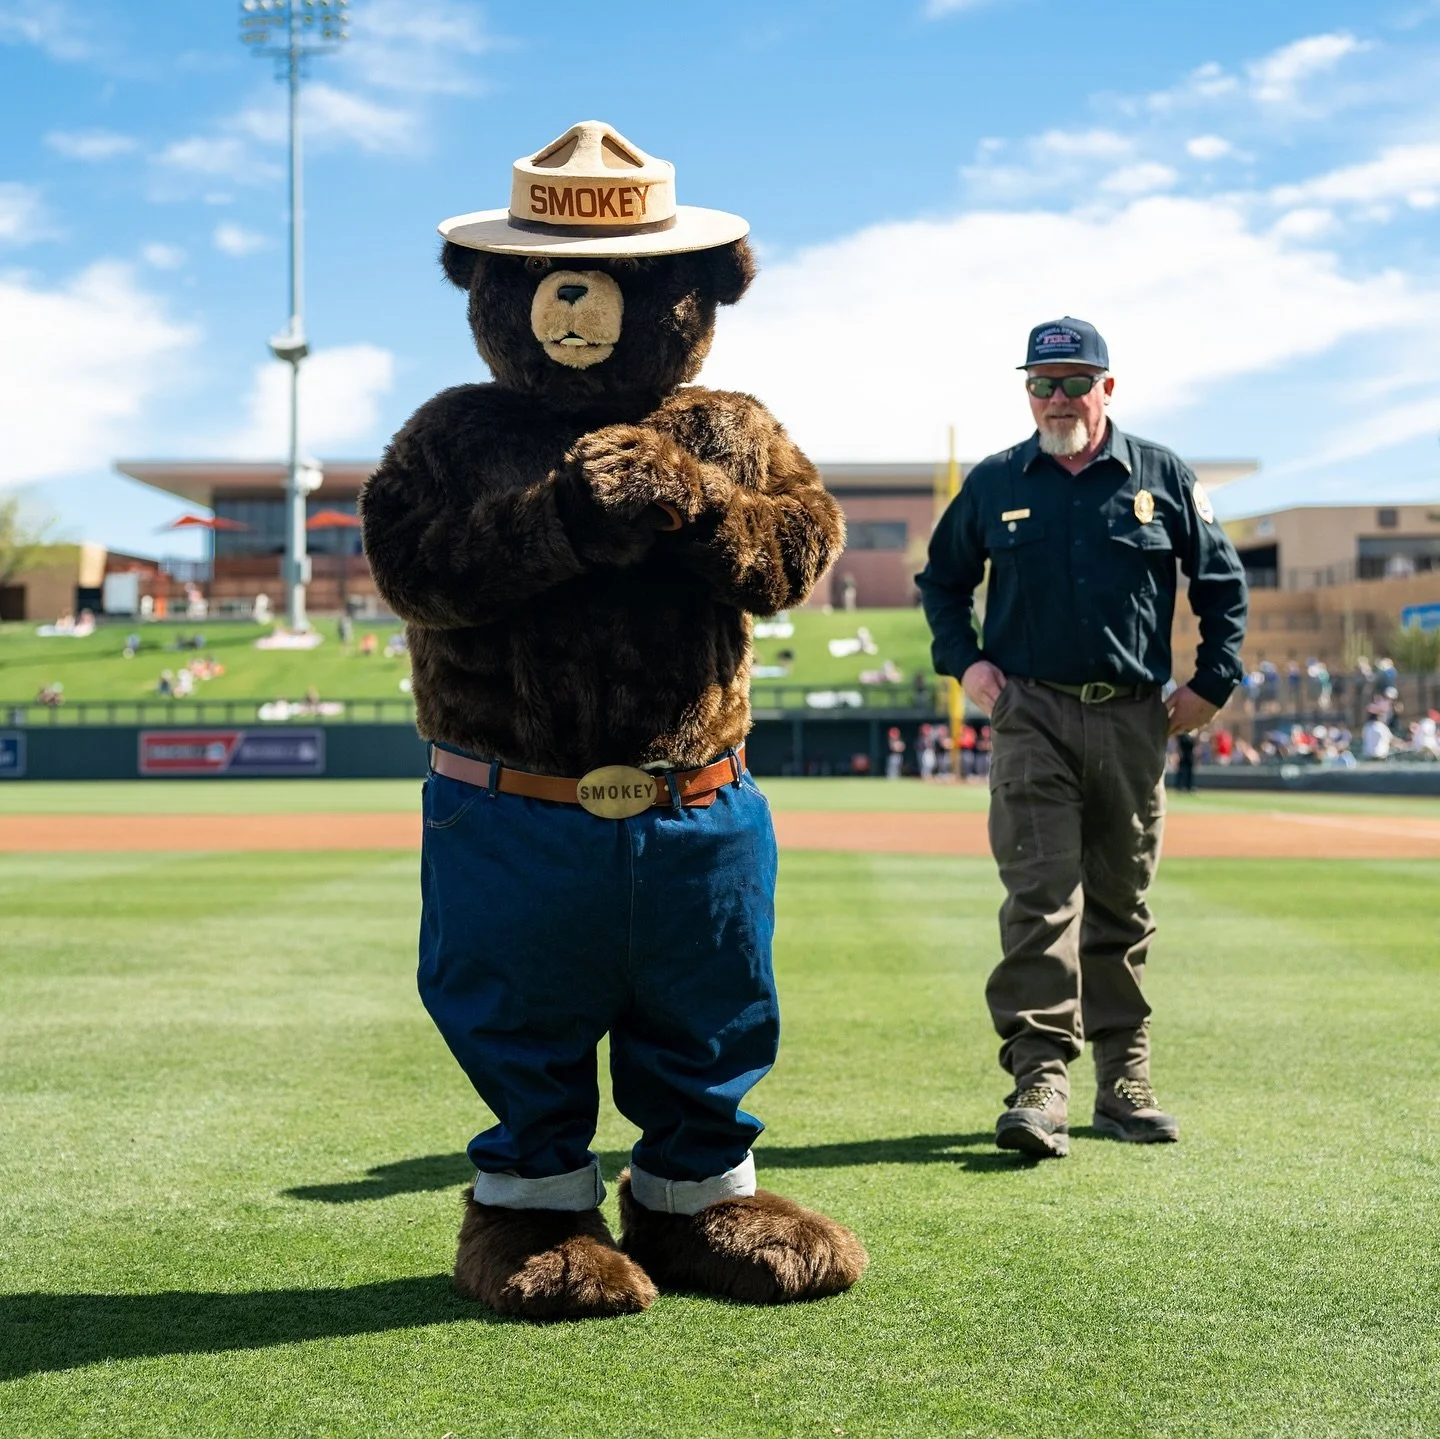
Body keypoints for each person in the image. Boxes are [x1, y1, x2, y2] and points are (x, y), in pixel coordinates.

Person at [917, 316, 1248, 1158]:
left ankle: (1124, 1079)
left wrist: (1212, 683)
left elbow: (1222, 584)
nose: (1056, 397)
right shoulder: (995, 482)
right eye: (1041, 382)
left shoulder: (1161, 475)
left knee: (1121, 904)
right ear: (1026, 389)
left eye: (1073, 382)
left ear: (1108, 386)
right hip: (1032, 714)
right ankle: (1040, 1081)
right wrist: (969, 665)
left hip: (1137, 717)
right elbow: (942, 581)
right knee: (1039, 896)